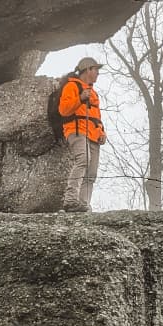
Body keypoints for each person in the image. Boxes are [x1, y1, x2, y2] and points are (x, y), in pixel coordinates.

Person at [58, 56, 106, 213]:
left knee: (92, 173)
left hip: (93, 136)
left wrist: (102, 132)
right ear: (88, 70)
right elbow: (63, 110)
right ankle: (71, 199)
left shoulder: (93, 93)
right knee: (83, 161)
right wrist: (80, 98)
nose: (98, 73)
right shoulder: (71, 86)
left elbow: (97, 117)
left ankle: (83, 204)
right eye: (96, 70)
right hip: (77, 131)